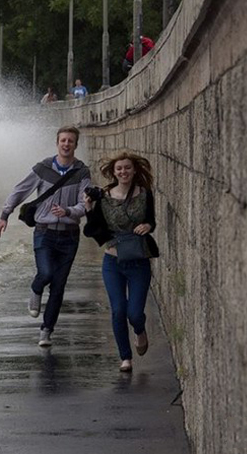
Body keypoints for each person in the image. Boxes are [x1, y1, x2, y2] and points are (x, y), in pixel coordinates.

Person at [0, 126, 91, 347]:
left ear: (76, 145)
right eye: (63, 140)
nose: (66, 144)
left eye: (71, 141)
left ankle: (46, 331)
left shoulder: (82, 172)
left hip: (69, 236)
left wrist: (68, 211)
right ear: (57, 143)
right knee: (46, 273)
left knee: (58, 286)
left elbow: (84, 205)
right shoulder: (43, 167)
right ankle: (36, 288)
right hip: (44, 233)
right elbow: (20, 190)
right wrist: (4, 215)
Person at [83, 152, 159, 372]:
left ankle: (140, 330)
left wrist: (148, 227)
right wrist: (88, 208)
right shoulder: (104, 196)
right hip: (112, 263)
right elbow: (95, 228)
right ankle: (125, 358)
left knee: (134, 313)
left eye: (127, 168)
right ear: (113, 172)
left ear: (134, 170)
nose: (123, 172)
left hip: (138, 261)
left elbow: (151, 220)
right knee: (118, 310)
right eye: (119, 169)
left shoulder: (145, 194)